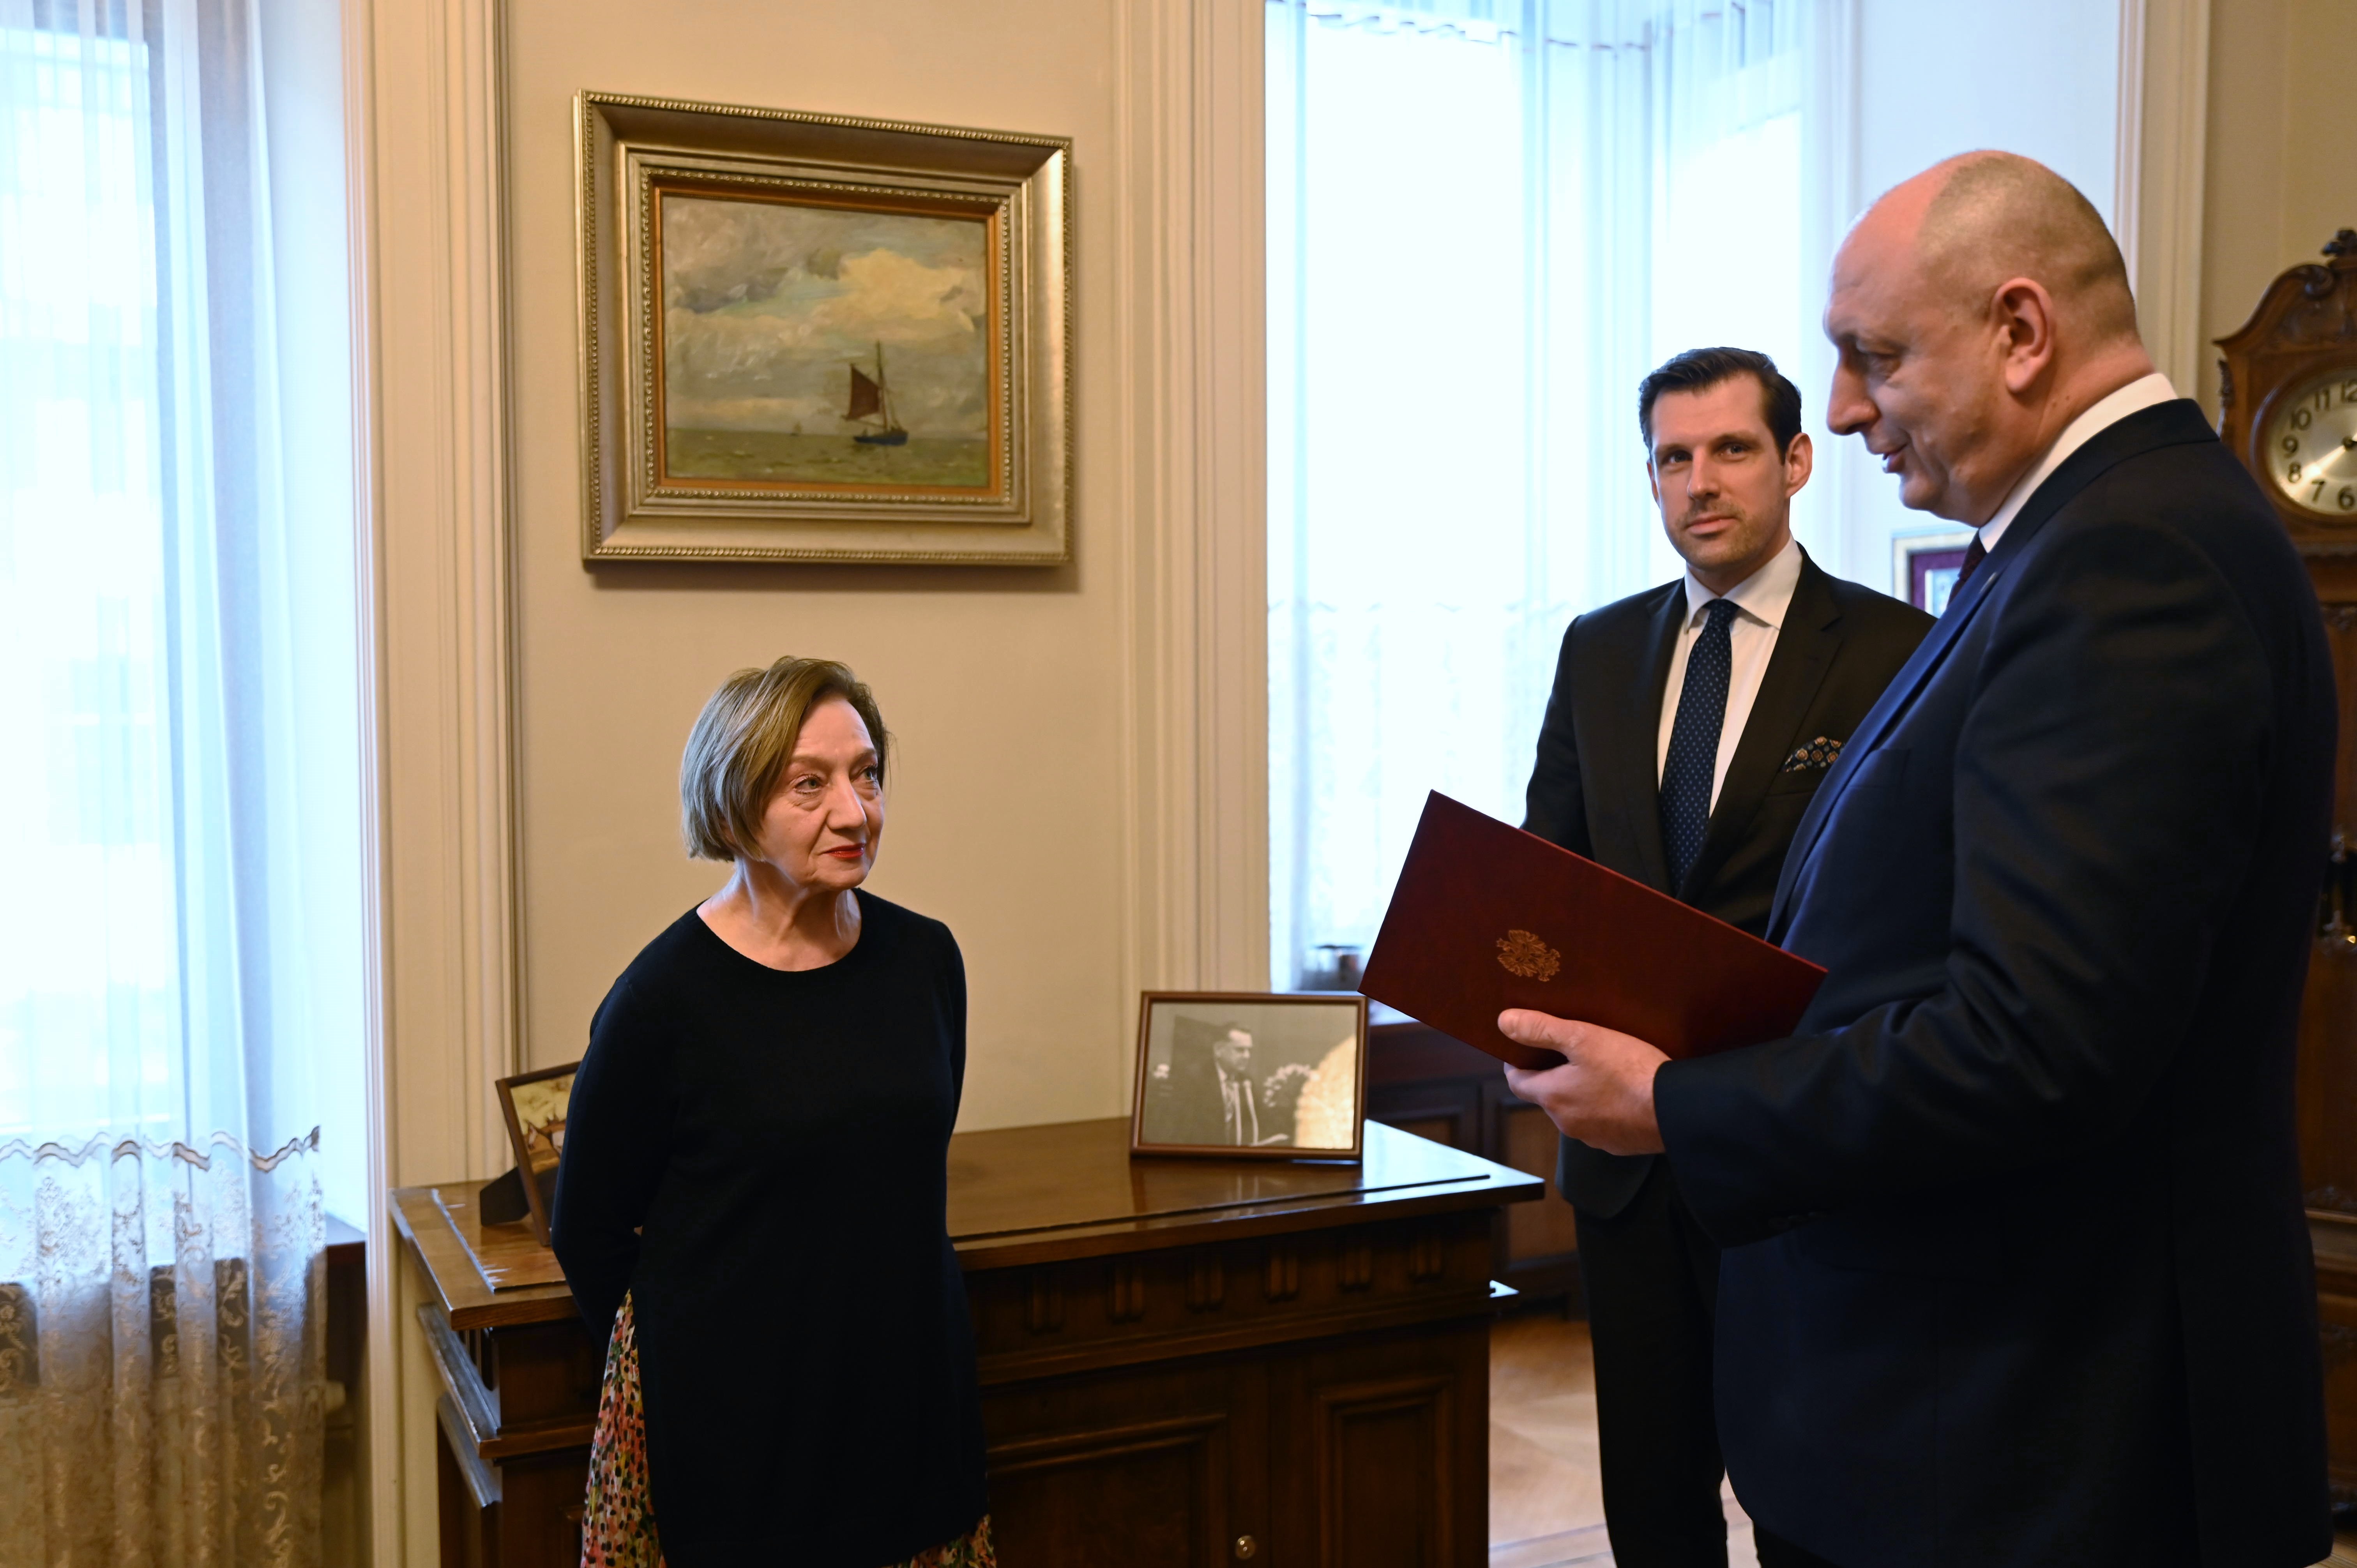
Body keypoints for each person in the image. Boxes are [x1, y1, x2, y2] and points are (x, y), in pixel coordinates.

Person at [1499, 152, 2335, 1566]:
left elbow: (2030, 1043)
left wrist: (1678, 1102)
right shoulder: (2076, 538)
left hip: (2024, 1429)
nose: (1841, 408)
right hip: (1974, 1404)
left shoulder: (2128, 562)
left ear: (2020, 331)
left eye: (1874, 357)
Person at [1522, 346, 1931, 1568]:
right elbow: (1552, 870)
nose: (1700, 482)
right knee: (1654, 1494)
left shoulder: (1898, 649)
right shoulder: (1598, 649)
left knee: (1817, 1494)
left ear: (1796, 462)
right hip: (1625, 1168)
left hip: (1796, 1143)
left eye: (1732, 450)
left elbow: (1909, 908)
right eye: (1673, 458)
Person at [551, 656, 993, 1568]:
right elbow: (587, 1230)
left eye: (867, 773)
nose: (856, 811)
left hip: (910, 1415)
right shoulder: (660, 1000)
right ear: (733, 808)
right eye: (810, 783)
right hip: (737, 1449)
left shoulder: (926, 960)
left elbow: (900, 1177)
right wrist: (705, 1365)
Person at [1151, 1019, 1287, 1146]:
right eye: (1240, 1050)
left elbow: (1262, 1120)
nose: (1247, 1056)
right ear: (1219, 1050)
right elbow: (1177, 1130)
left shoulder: (1246, 1081)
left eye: (1249, 1050)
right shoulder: (1192, 1079)